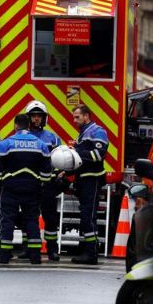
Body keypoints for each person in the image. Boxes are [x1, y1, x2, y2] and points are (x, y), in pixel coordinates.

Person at [0, 114, 52, 264]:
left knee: (7, 221)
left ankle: (4, 256)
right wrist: (41, 186)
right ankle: (35, 256)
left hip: (10, 188)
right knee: (32, 221)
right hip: (32, 189)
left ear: (16, 126)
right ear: (29, 126)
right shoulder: (40, 144)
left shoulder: (6, 144)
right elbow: (47, 173)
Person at [70, 105, 109, 265]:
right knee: (85, 216)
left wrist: (76, 151)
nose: (74, 120)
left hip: (92, 180)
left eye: (77, 117)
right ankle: (86, 248)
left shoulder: (97, 131)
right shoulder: (84, 132)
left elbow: (98, 155)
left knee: (88, 216)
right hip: (84, 180)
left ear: (86, 116)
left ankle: (91, 253)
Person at [25, 100, 63, 261]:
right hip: (29, 184)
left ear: (44, 118)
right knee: (28, 217)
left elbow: (59, 160)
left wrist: (60, 174)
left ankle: (52, 249)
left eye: (39, 116)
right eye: (33, 116)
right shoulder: (22, 137)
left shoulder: (53, 139)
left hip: (48, 184)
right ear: (28, 118)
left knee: (50, 218)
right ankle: (27, 248)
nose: (36, 119)